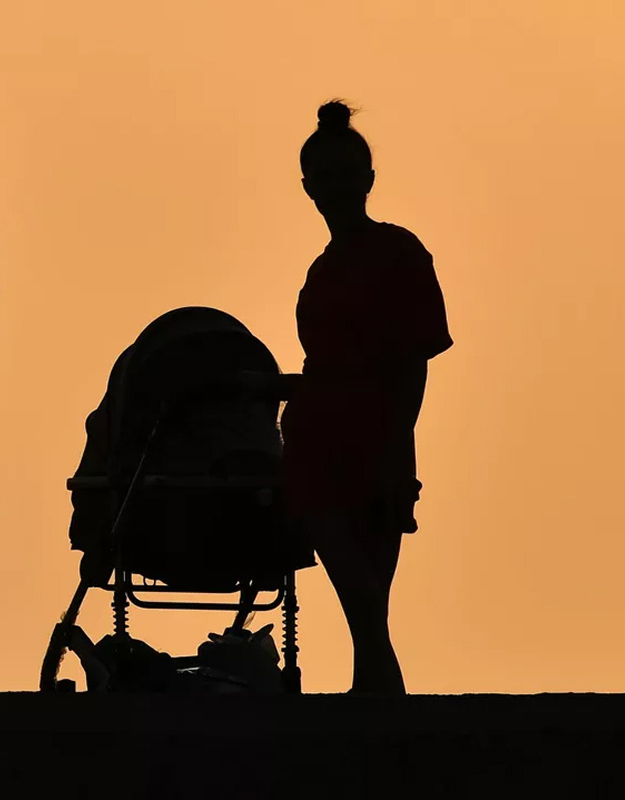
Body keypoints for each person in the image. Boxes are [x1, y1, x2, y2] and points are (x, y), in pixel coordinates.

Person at [277, 100, 453, 695]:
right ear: (308, 187)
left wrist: (395, 447)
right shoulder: (321, 270)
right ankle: (379, 709)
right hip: (316, 443)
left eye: (346, 175)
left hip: (380, 435)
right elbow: (324, 366)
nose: (336, 189)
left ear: (369, 180)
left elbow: (415, 361)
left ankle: (372, 706)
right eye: (324, 178)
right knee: (364, 601)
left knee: (370, 601)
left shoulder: (400, 252)